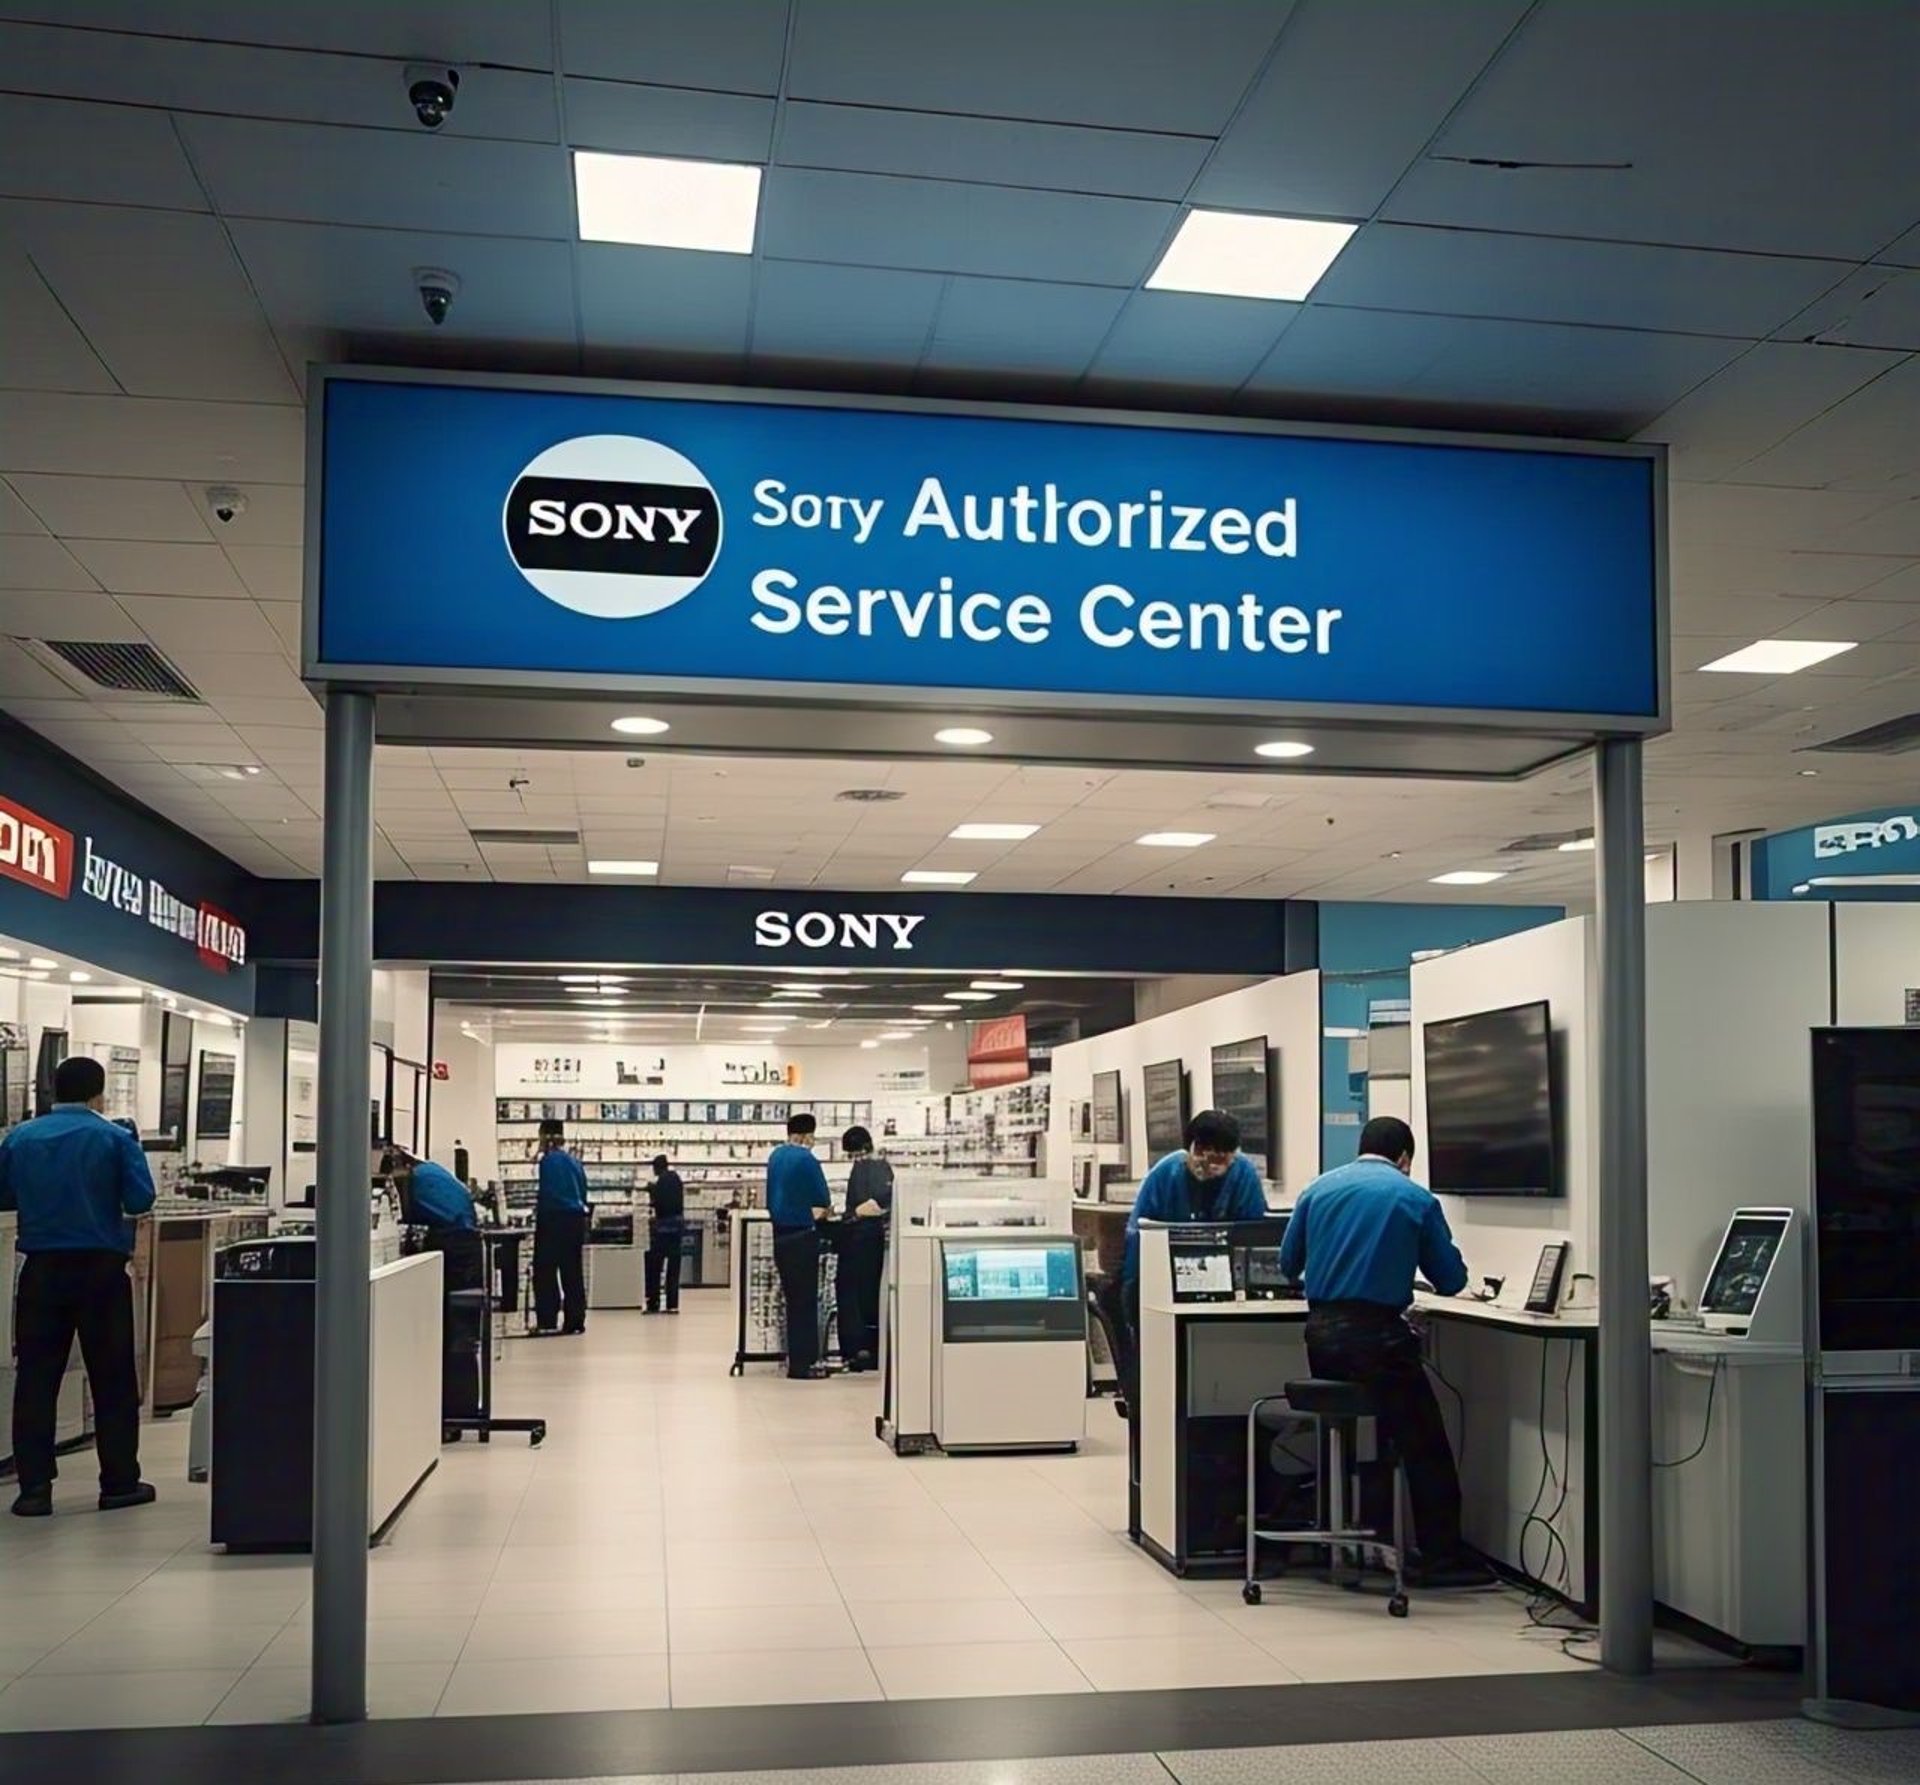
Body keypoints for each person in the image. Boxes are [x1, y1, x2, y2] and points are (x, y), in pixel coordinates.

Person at [1278, 1115, 1491, 1588]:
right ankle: (1440, 1557)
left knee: (1362, 1425)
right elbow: (1452, 1280)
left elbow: (1288, 1265)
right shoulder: (1413, 1196)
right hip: (1377, 1340)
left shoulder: (1317, 1190)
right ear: (1405, 1159)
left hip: (1322, 1338)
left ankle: (1353, 1529)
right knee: (1425, 1441)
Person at [0, 1055, 157, 1517]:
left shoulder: (19, 1139)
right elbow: (140, 1198)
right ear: (99, 1093)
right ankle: (118, 1482)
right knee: (112, 1377)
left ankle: (33, 1489)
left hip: (41, 1271)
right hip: (100, 1272)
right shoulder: (113, 1138)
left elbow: (3, 1195)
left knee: (35, 1379)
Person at [1119, 1109, 1268, 1398]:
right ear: (1189, 1146)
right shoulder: (1166, 1172)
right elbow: (1139, 1232)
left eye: (1219, 1158)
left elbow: (1253, 1232)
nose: (1207, 1164)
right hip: (1159, 1278)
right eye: (1200, 1152)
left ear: (1233, 1155)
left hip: (1222, 1283)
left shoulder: (1243, 1175)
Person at [765, 1112, 831, 1378]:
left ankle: (794, 1360)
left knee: (792, 1300)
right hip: (802, 1235)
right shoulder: (807, 1159)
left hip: (779, 1236)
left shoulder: (775, 1157)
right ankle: (805, 1364)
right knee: (805, 1302)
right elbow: (822, 1197)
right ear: (806, 1135)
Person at [835, 1125, 893, 1371]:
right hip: (867, 1240)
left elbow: (873, 1203)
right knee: (865, 1295)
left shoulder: (871, 1167)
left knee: (858, 1295)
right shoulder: (877, 1167)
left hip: (862, 1240)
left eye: (855, 1153)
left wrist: (855, 1214)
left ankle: (860, 1349)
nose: (854, 1159)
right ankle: (864, 1349)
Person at [532, 1118, 589, 1336]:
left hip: (554, 1218)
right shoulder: (575, 1162)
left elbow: (548, 1193)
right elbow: (584, 1192)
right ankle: (575, 1320)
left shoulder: (547, 1161)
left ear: (545, 1136)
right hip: (575, 1220)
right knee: (572, 1271)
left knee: (545, 1270)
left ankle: (547, 1319)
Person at [644, 1153, 685, 1315]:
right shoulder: (676, 1179)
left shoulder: (660, 1182)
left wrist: (652, 1192)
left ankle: (653, 1303)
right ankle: (672, 1304)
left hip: (662, 1229)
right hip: (677, 1228)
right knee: (673, 1268)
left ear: (657, 1167)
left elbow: (659, 1205)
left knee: (655, 1267)